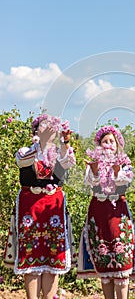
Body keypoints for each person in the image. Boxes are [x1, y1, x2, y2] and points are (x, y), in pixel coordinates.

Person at [4, 114, 77, 299]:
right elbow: (23, 161)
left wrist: (66, 143)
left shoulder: (60, 153)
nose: (48, 130)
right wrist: (41, 145)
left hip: (54, 209)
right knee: (31, 254)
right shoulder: (25, 151)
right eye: (44, 126)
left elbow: (69, 162)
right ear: (35, 131)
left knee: (53, 259)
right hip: (31, 209)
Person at [77, 125, 135, 299]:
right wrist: (93, 169)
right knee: (104, 260)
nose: (108, 145)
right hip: (98, 214)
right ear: (99, 145)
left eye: (111, 141)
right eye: (104, 141)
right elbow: (89, 183)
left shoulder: (124, 163)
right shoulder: (94, 163)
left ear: (117, 145)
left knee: (121, 262)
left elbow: (125, 183)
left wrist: (116, 171)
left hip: (117, 213)